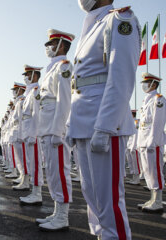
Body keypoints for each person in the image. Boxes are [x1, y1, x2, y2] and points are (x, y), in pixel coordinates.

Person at [66, 1, 140, 239]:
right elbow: (79, 85)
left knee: (109, 205)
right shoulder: (92, 25)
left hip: (103, 124)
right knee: (94, 202)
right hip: (83, 124)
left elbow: (121, 78)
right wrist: (71, 124)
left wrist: (105, 126)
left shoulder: (118, 20)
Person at [35, 29, 74, 231]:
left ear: (62, 46)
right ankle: (56, 212)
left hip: (56, 129)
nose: (48, 48)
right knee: (51, 172)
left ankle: (63, 216)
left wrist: (59, 130)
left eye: (52, 44)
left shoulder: (64, 67)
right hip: (47, 127)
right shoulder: (51, 69)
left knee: (60, 171)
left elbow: (65, 100)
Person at [137, 73, 166, 213]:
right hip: (144, 141)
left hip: (152, 142)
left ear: (154, 84)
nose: (144, 85)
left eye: (147, 83)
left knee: (155, 171)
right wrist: (139, 142)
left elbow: (158, 123)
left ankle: (158, 201)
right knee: (148, 171)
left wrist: (152, 141)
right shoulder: (146, 100)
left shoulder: (158, 99)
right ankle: (152, 198)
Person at [17, 65, 44, 205]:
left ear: (34, 75)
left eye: (27, 74)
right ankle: (34, 191)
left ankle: (37, 193)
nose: (25, 77)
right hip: (28, 131)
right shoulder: (28, 92)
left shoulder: (35, 91)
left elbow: (36, 114)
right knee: (31, 162)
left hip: (33, 131)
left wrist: (34, 133)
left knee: (36, 163)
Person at [125, 110, 141, 185]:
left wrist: (133, 146)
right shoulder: (130, 122)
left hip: (133, 146)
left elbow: (136, 135)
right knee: (131, 162)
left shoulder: (135, 122)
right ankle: (133, 178)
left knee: (135, 163)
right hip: (128, 145)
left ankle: (137, 179)